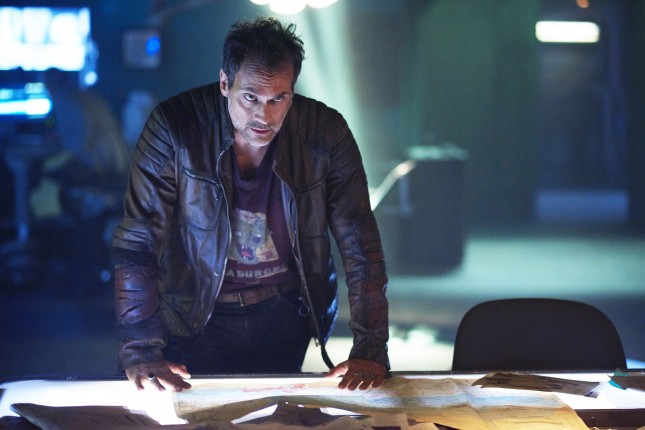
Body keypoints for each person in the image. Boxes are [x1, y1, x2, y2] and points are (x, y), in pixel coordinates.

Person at [112, 17, 389, 392]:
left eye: (278, 99)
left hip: (286, 314)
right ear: (225, 83)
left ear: (292, 90)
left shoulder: (324, 131)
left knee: (275, 414)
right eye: (251, 97)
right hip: (195, 315)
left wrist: (371, 348)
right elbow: (138, 241)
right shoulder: (175, 126)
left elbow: (360, 242)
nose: (264, 115)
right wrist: (141, 349)